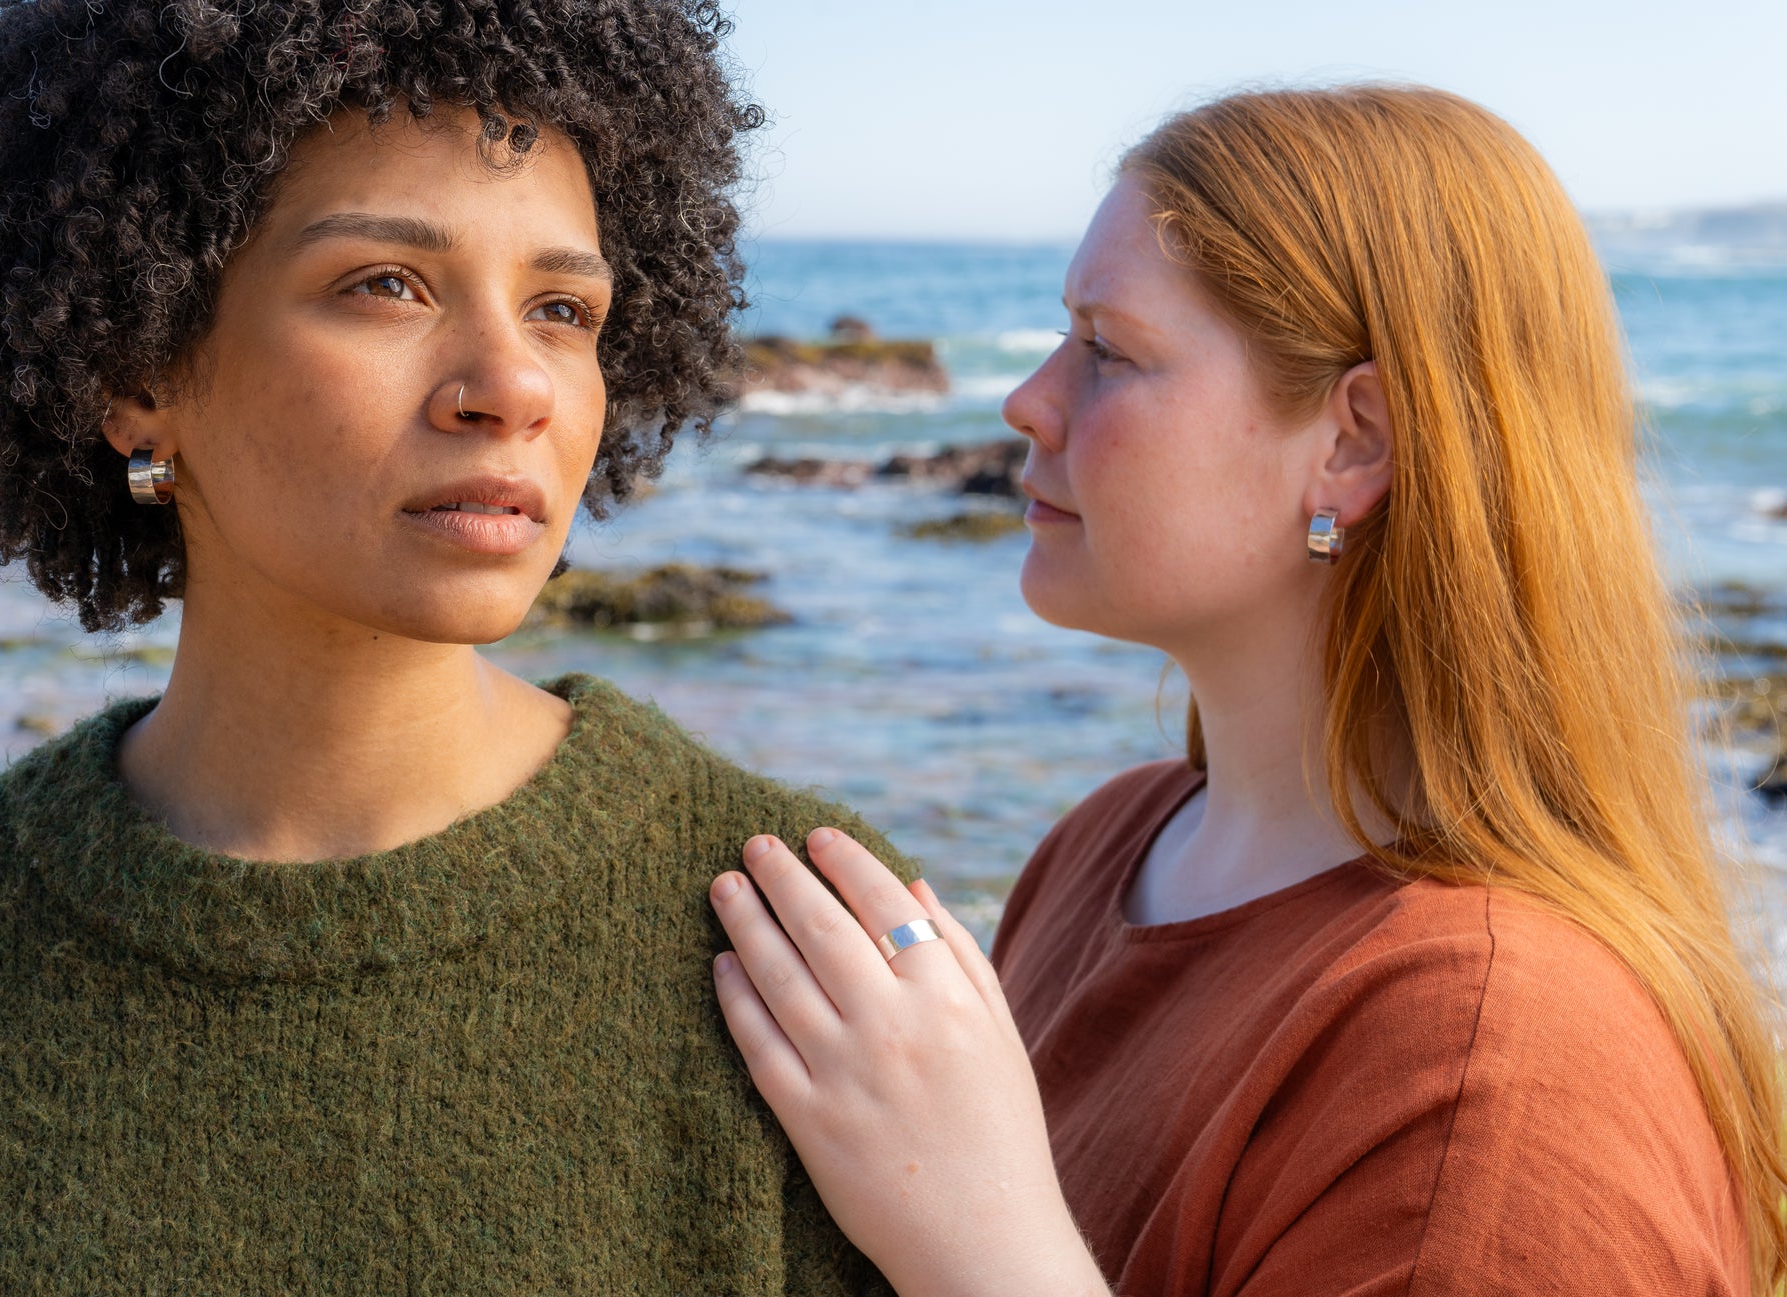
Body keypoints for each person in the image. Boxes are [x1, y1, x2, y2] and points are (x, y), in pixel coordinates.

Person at [0, 1, 910, 1291]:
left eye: (564, 308)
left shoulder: (802, 936)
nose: (509, 384)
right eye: (385, 285)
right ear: (134, 367)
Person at [709, 84, 1786, 1296]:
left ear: (1352, 442)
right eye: (1060, 335)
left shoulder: (1498, 1065)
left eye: (1107, 350)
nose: (1027, 399)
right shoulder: (1108, 841)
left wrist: (973, 1230)